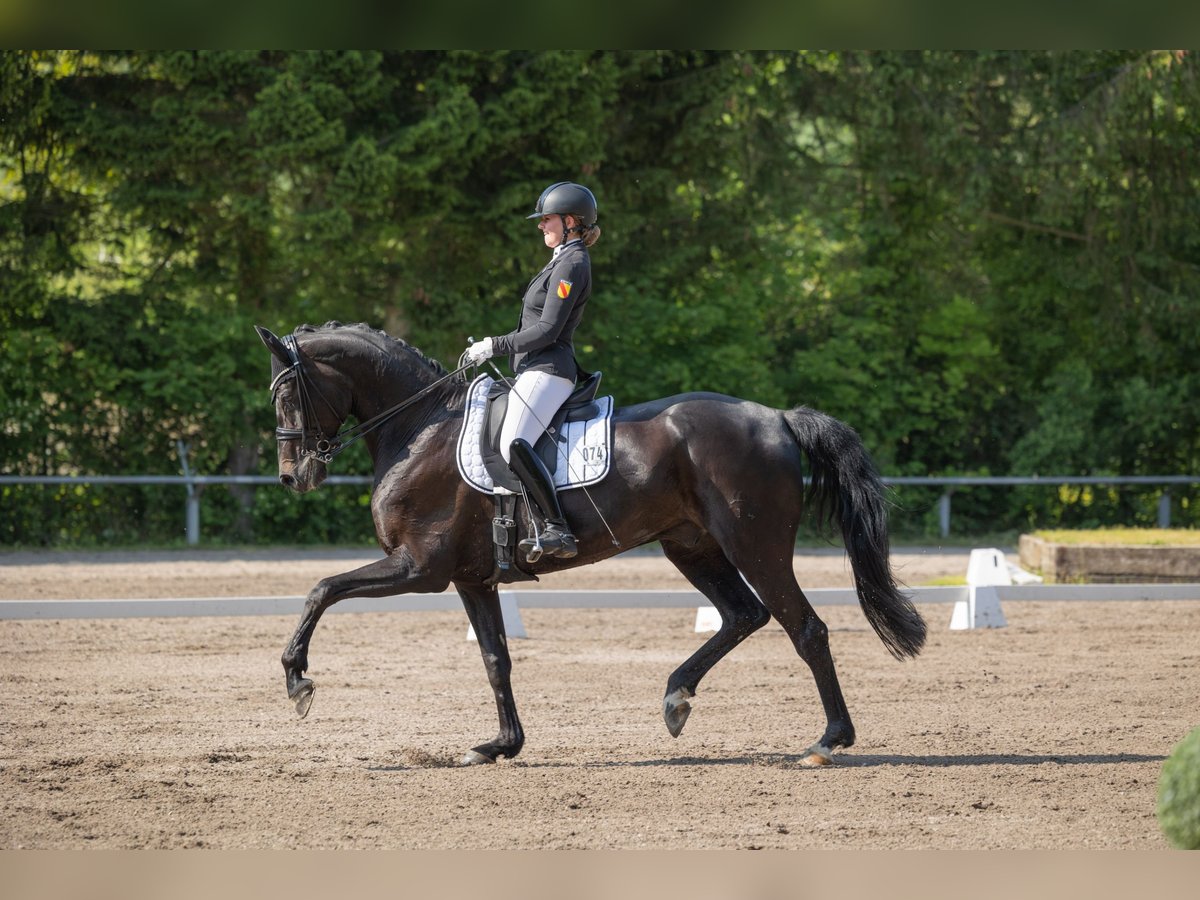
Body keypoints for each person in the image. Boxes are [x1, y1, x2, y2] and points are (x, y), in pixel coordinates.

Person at [464, 181, 601, 560]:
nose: (541, 225)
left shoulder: (573, 263)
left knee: (513, 443)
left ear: (570, 221)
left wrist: (494, 344)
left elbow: (546, 331)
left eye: (547, 219)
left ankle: (558, 529)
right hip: (532, 369)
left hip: (550, 369)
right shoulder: (560, 259)